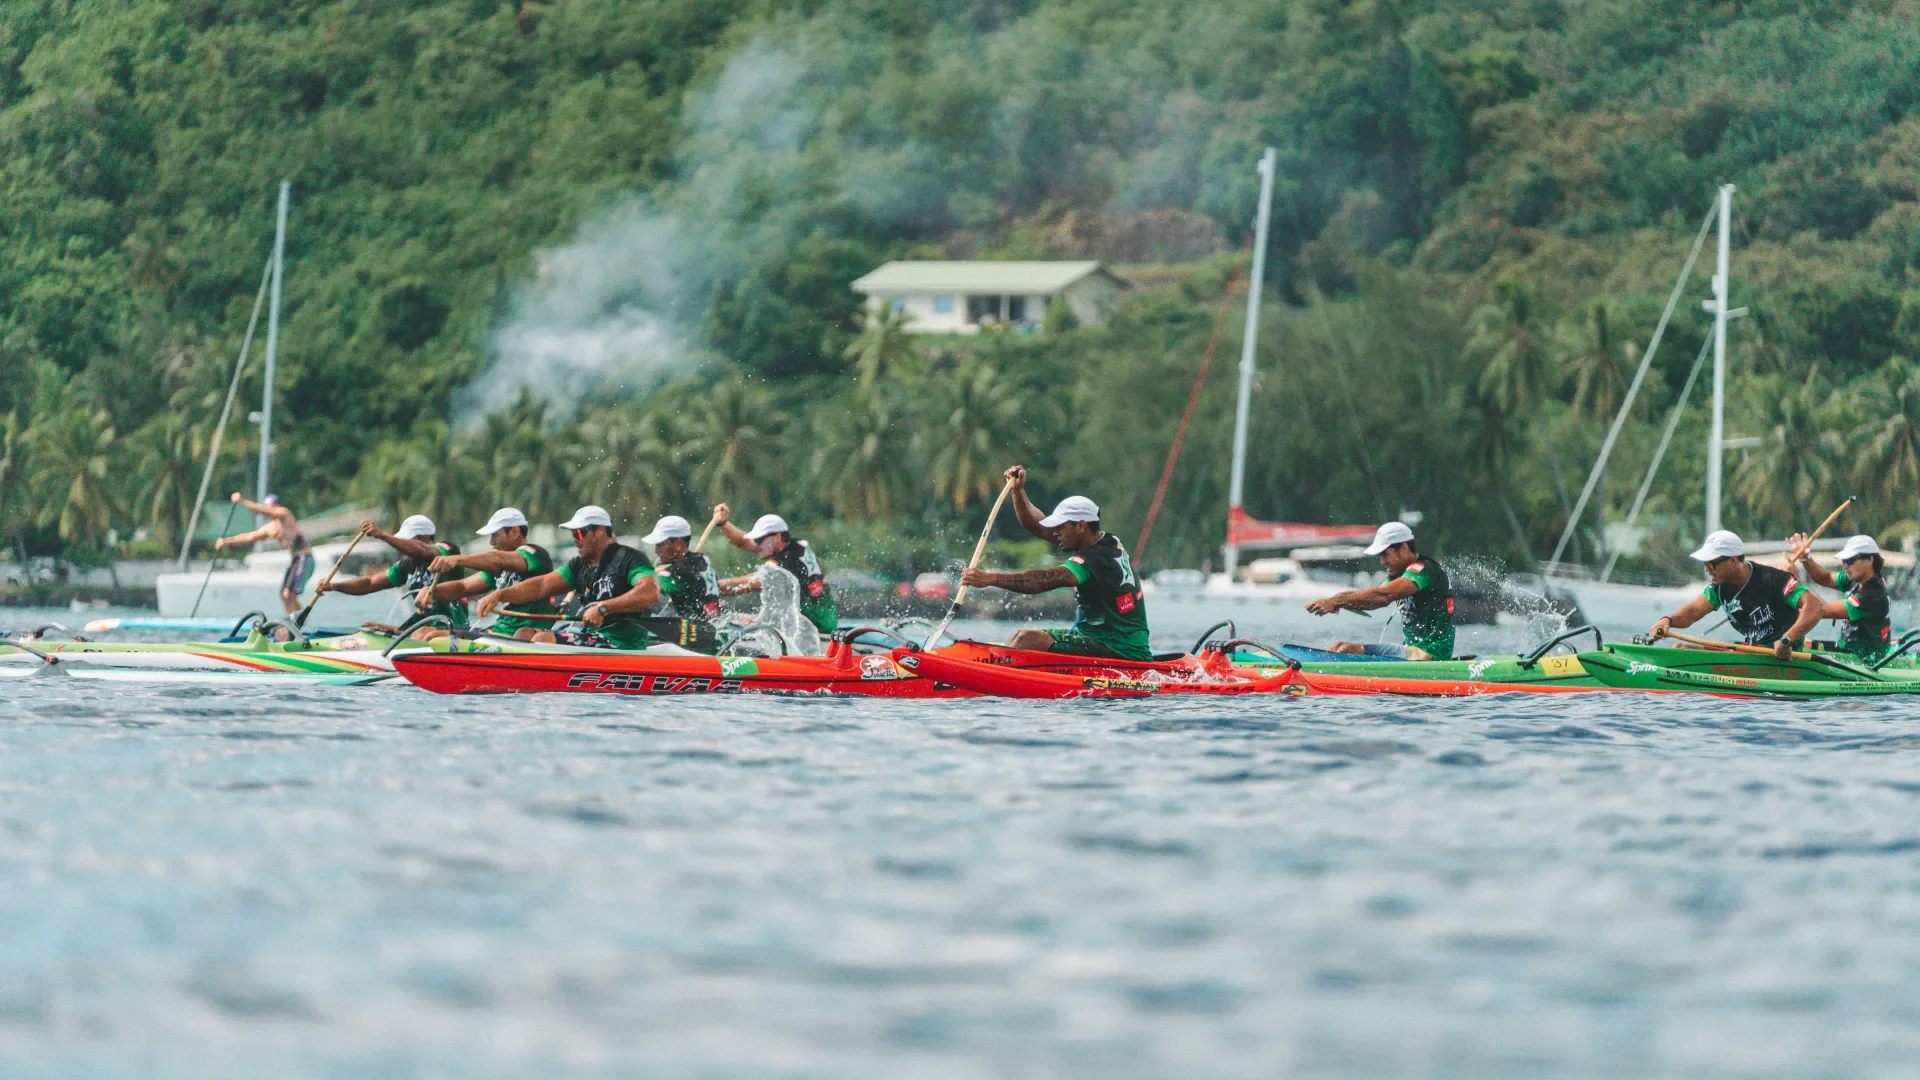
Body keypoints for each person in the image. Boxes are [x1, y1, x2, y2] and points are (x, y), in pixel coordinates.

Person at [958, 465, 1151, 661]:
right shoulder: (1108, 541)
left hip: (1119, 649)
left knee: (1027, 640)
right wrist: (1018, 491)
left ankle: (989, 674)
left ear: (1081, 526)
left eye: (1061, 527)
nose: (1055, 533)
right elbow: (1038, 527)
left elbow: (1046, 580)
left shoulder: (1095, 560)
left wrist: (990, 578)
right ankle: (992, 666)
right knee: (1019, 637)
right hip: (1099, 638)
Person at [475, 505, 661, 650]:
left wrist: (604, 608)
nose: (575, 538)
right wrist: (500, 595)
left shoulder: (629, 559)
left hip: (621, 643)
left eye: (580, 532)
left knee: (542, 639)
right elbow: (541, 586)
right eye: (573, 533)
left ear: (601, 531)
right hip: (589, 636)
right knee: (523, 633)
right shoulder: (579, 565)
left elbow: (650, 591)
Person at [1649, 529, 1823, 660]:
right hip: (1752, 653)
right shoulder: (1719, 587)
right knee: (1681, 648)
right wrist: (1668, 620)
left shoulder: (1774, 579)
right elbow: (1693, 611)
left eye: (1711, 564)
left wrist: (1787, 640)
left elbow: (1815, 606)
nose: (1707, 570)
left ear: (1732, 561)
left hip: (1783, 657)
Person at [1305, 521, 1456, 660]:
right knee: (1336, 647)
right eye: (1380, 556)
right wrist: (1339, 600)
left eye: (1385, 554)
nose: (1382, 561)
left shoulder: (1423, 570)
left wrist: (1337, 600)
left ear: (1403, 548)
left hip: (1430, 656)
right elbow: (1374, 599)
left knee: (1344, 649)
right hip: (1412, 651)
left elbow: (1383, 596)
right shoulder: (1398, 574)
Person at [414, 508, 559, 640]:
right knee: (423, 633)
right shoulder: (498, 569)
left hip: (526, 635)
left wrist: (457, 560)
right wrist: (431, 591)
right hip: (498, 632)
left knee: (433, 637)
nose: (491, 542)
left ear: (514, 532)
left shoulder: (535, 555)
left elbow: (499, 559)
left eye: (495, 535)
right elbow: (462, 587)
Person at [316, 514, 470, 628]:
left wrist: (381, 535)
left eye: (408, 540)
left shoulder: (448, 552)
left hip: (452, 628)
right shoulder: (408, 566)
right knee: (370, 628)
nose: (403, 547)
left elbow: (424, 550)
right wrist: (334, 586)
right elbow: (370, 583)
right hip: (423, 630)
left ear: (426, 538)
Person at [715, 506, 838, 632]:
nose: (756, 544)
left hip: (814, 626)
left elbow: (745, 584)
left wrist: (711, 587)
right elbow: (744, 541)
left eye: (759, 539)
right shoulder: (798, 545)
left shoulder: (786, 561)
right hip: (827, 620)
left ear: (777, 536)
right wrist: (723, 523)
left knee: (741, 622)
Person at [1786, 532, 1892, 663]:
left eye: (1850, 560)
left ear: (1869, 560)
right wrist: (1805, 559)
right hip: (1848, 651)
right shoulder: (1857, 578)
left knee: (1793, 647)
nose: (1846, 565)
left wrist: (1794, 580)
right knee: (1805, 644)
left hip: (1865, 661)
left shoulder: (1872, 596)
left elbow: (1818, 609)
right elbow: (1825, 577)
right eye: (1844, 561)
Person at [213, 492, 313, 614]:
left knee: (288, 595)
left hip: (305, 558)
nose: (268, 509)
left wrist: (242, 501)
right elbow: (250, 537)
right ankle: (297, 624)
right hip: (295, 560)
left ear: (277, 505)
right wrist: (226, 541)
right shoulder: (270, 528)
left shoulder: (284, 514)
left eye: (270, 507)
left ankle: (299, 624)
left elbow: (263, 511)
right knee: (284, 596)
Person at [636, 513, 723, 654]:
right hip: (712, 631)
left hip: (694, 643)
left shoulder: (675, 572)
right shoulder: (702, 560)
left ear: (678, 543)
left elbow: (651, 589)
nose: (656, 551)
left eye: (661, 544)